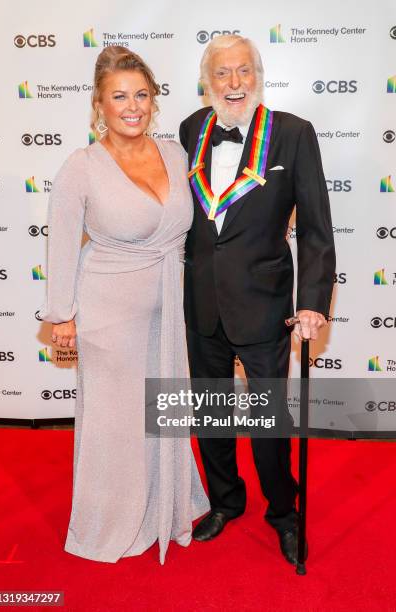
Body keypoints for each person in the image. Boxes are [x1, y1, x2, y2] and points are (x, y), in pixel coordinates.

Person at [39, 46, 209, 565]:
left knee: (162, 410)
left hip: (168, 306)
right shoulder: (81, 167)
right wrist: (61, 316)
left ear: (154, 99)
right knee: (115, 422)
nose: (132, 106)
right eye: (119, 96)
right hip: (108, 311)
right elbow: (63, 243)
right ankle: (110, 519)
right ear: (99, 104)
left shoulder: (176, 154)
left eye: (141, 94)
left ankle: (165, 504)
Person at [179, 35, 336, 564]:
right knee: (212, 414)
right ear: (207, 82)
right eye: (221, 74)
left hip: (266, 305)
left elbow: (316, 228)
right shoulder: (192, 130)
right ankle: (226, 501)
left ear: (258, 75)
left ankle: (283, 513)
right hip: (201, 304)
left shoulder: (293, 134)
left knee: (269, 423)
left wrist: (313, 300)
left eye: (243, 71)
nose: (233, 84)